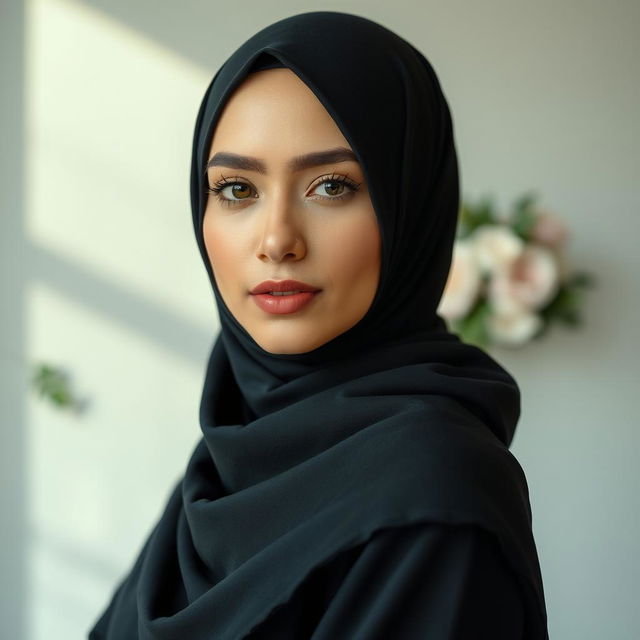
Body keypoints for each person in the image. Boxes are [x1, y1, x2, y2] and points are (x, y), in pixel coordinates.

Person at [88, 10, 548, 639]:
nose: (277, 240)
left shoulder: (431, 493)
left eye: (332, 185)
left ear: (409, 206)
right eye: (236, 189)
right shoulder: (233, 451)